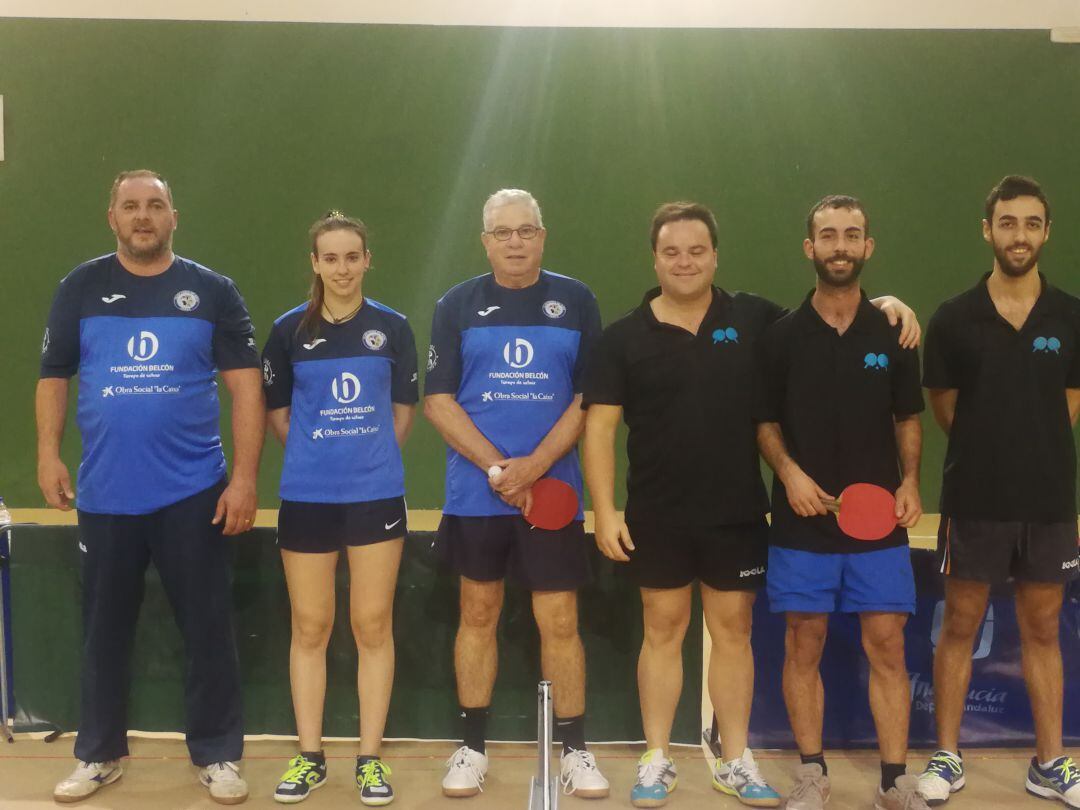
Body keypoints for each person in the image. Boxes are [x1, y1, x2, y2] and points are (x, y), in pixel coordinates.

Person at [582, 201, 921, 809]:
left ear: (715, 255)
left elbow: (836, 308)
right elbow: (601, 429)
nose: (685, 261)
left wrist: (891, 303)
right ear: (654, 258)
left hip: (736, 512)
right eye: (671, 251)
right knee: (661, 632)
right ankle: (657, 757)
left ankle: (735, 759)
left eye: (696, 250)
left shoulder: (758, 319)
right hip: (656, 515)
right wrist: (605, 511)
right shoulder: (621, 338)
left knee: (734, 634)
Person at [37, 170, 263, 804]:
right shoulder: (79, 287)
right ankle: (99, 753)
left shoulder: (212, 290)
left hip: (195, 492)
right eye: (131, 206)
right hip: (105, 495)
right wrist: (48, 456)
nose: (143, 216)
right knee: (103, 632)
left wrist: (244, 480)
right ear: (112, 217)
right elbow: (53, 376)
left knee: (208, 630)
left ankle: (217, 756)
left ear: (173, 217)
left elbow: (247, 390)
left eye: (155, 206)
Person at [424, 188, 609, 799]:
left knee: (559, 619)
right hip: (478, 496)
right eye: (502, 233)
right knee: (476, 613)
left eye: (525, 231)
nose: (514, 242)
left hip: (553, 492)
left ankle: (575, 751)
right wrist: (501, 468)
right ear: (485, 241)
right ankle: (471, 748)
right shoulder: (456, 305)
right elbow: (438, 400)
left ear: (542, 235)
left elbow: (589, 401)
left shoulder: (576, 300)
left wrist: (534, 467)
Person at [755, 195, 928, 810]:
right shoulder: (778, 336)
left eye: (851, 235)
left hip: (879, 523)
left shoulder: (896, 331)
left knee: (888, 645)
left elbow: (909, 416)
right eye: (828, 235)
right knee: (804, 644)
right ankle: (811, 773)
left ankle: (893, 780)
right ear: (810, 248)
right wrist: (791, 474)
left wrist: (909, 482)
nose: (839, 246)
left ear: (867, 247)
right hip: (801, 526)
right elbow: (765, 421)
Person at [917, 176, 1080, 807]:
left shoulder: (1070, 316)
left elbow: (1067, 403)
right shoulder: (955, 318)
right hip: (974, 501)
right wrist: (995, 450)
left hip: (1048, 504)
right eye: (1007, 223)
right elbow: (945, 407)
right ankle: (948, 756)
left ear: (1046, 232)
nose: (1019, 235)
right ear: (989, 231)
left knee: (1043, 628)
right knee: (959, 624)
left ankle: (1049, 764)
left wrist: (1026, 445)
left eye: (1031, 223)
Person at [261, 212, 418, 805]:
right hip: (306, 498)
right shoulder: (285, 332)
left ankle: (369, 759)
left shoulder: (394, 328)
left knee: (372, 625)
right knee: (310, 626)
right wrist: (320, 458)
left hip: (375, 495)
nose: (343, 268)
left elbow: (402, 415)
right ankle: (310, 756)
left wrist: (364, 459)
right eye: (331, 258)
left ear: (367, 260)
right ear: (315, 263)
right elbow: (279, 417)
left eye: (353, 257)